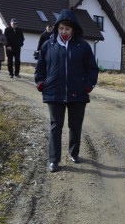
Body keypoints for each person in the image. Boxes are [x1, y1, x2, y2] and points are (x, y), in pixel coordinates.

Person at [34, 9, 99, 173]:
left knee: (75, 125)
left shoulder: (82, 46)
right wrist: (41, 82)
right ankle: (53, 160)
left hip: (78, 92)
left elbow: (92, 69)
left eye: (67, 29)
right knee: (56, 126)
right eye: (62, 28)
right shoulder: (48, 45)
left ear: (73, 30)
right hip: (54, 92)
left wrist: (88, 85)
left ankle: (74, 153)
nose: (64, 31)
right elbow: (40, 68)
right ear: (57, 28)